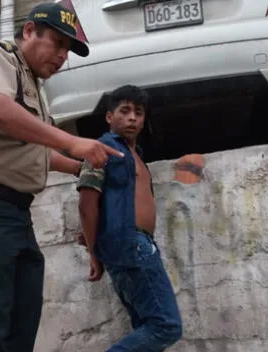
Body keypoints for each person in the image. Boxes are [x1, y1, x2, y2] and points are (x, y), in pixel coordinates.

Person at [0, 3, 124, 352]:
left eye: (67, 50)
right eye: (56, 43)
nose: (61, 55)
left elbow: (31, 149)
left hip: (14, 214)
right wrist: (72, 141)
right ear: (28, 32)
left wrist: (78, 166)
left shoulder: (34, 86)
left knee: (22, 322)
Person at [77, 85, 183, 351]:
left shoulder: (134, 155)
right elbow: (87, 206)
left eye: (139, 112)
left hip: (139, 245)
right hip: (130, 245)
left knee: (147, 328)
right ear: (109, 117)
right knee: (165, 326)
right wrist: (94, 253)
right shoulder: (102, 150)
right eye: (124, 111)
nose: (133, 118)